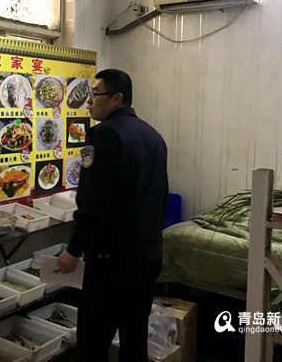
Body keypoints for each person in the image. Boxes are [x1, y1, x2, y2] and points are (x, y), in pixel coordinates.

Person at [58, 69, 169, 362]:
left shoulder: (104, 135)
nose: (89, 101)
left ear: (116, 98)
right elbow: (161, 198)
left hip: (111, 262)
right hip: (147, 257)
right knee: (134, 336)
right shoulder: (153, 136)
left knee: (93, 342)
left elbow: (93, 201)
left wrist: (74, 249)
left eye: (96, 94)